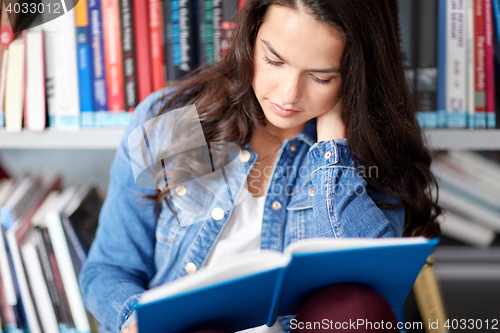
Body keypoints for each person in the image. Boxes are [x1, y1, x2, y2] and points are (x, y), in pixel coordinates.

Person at [79, 0, 442, 332]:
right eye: (274, 60)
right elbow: (108, 269)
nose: (287, 95)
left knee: (354, 304)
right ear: (250, 38)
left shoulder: (371, 152)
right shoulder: (179, 124)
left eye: (320, 77)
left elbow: (368, 296)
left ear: (356, 76)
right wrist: (133, 318)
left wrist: (333, 155)